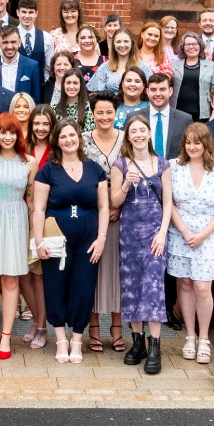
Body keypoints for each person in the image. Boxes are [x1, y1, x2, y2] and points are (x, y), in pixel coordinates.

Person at [33, 120, 109, 364]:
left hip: (88, 235)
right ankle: (60, 339)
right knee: (55, 285)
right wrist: (39, 242)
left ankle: (77, 339)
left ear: (79, 138)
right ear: (56, 140)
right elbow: (38, 209)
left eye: (72, 135)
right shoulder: (47, 170)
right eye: (63, 136)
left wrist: (101, 238)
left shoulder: (95, 169)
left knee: (83, 286)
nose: (68, 140)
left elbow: (104, 206)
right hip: (56, 234)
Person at [110, 113, 173, 374]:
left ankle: (155, 345)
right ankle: (137, 342)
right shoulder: (120, 164)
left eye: (141, 130)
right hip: (129, 235)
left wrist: (162, 233)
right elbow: (114, 201)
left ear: (149, 134)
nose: (138, 134)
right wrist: (126, 184)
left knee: (153, 287)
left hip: (154, 235)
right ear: (128, 136)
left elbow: (169, 201)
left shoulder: (163, 164)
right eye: (132, 131)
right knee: (133, 287)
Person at [166, 123, 214, 364]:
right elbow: (169, 203)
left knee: (203, 287)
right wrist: (184, 230)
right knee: (184, 283)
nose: (192, 146)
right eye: (188, 142)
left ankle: (205, 337)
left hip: (210, 234)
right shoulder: (174, 167)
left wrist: (203, 234)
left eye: (197, 142)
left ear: (206, 144)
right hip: (180, 232)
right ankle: (190, 335)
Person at [0, 114, 33, 361]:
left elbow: (31, 200)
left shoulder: (29, 162)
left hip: (17, 220)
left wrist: (34, 233)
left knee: (11, 281)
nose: (7, 137)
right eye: (2, 132)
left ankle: (7, 335)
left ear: (18, 135)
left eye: (12, 132)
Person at [83, 93, 126, 353]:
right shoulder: (84, 140)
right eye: (99, 112)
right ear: (93, 113)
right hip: (92, 212)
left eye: (109, 112)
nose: (105, 117)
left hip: (122, 213)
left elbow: (136, 172)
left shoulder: (126, 139)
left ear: (116, 112)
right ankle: (95, 327)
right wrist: (101, 208)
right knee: (93, 271)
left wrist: (118, 207)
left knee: (118, 271)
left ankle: (118, 327)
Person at [142, 72, 190, 161]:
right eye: (153, 90)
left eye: (162, 89)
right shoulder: (135, 117)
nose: (158, 94)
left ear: (170, 91)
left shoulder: (185, 119)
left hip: (175, 172)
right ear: (147, 92)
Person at [173, 33, 214, 123]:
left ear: (200, 46)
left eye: (194, 44)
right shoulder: (174, 64)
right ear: (183, 47)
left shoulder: (210, 65)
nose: (191, 47)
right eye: (188, 44)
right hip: (178, 112)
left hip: (202, 114)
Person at [90, 28, 141, 95]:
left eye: (126, 41)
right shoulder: (104, 67)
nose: (122, 45)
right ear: (113, 44)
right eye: (118, 42)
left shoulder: (142, 67)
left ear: (132, 43)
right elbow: (95, 94)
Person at [0, 27, 42, 100]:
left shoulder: (32, 66)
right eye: (5, 42)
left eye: (13, 42)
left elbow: (36, 99)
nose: (9, 47)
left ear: (19, 42)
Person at [15, 0, 49, 71]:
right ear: (17, 12)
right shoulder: (10, 36)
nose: (27, 16)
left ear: (36, 13)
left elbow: (48, 67)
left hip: (39, 82)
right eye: (24, 12)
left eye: (30, 12)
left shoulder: (46, 37)